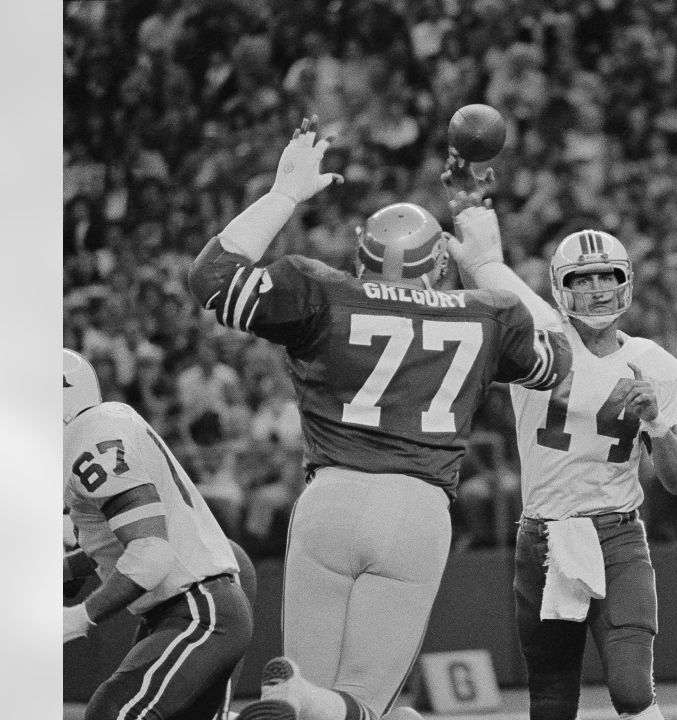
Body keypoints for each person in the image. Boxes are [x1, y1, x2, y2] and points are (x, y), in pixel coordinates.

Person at [186, 116, 573, 720]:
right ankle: (312, 704)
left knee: (318, 695)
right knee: (366, 703)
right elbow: (559, 359)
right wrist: (492, 264)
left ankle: (301, 700)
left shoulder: (321, 291)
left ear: (361, 258)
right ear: (439, 266)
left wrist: (283, 194)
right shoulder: (485, 313)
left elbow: (209, 278)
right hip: (416, 508)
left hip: (329, 500)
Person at [442, 153, 677, 720]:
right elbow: (488, 287)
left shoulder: (658, 364)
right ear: (561, 288)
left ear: (626, 282)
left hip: (618, 533)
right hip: (546, 538)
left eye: (608, 276)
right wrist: (470, 214)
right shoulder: (539, 344)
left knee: (632, 690)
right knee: (552, 701)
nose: (598, 288)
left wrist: (656, 422)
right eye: (583, 278)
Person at [62, 348, 254, 720]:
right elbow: (121, 540)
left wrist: (80, 616)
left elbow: (151, 551)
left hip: (197, 611)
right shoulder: (107, 424)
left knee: (112, 713)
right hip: (194, 607)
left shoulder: (90, 439)